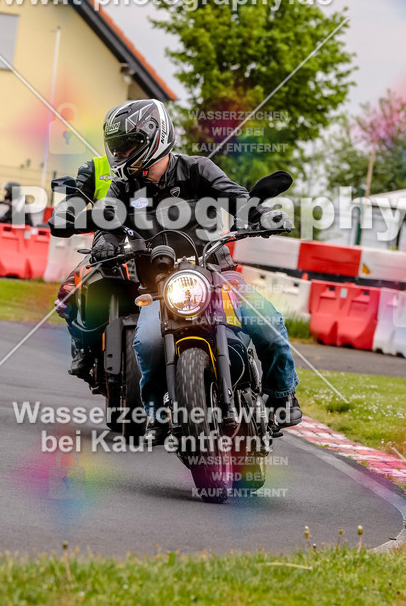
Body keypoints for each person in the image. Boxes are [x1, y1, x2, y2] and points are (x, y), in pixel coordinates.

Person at [92, 99, 302, 442]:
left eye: (126, 145)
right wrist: (104, 241)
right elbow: (108, 223)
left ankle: (282, 396)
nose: (120, 154)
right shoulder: (123, 188)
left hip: (216, 274)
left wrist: (260, 215)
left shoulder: (197, 169)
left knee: (265, 320)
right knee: (145, 342)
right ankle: (158, 413)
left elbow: (237, 199)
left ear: (153, 137)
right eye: (116, 147)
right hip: (161, 287)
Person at [48, 153, 112, 377]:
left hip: (156, 246)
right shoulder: (94, 167)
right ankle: (85, 347)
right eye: (118, 142)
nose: (124, 148)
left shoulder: (162, 165)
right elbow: (76, 198)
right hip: (106, 246)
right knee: (67, 291)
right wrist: (64, 214)